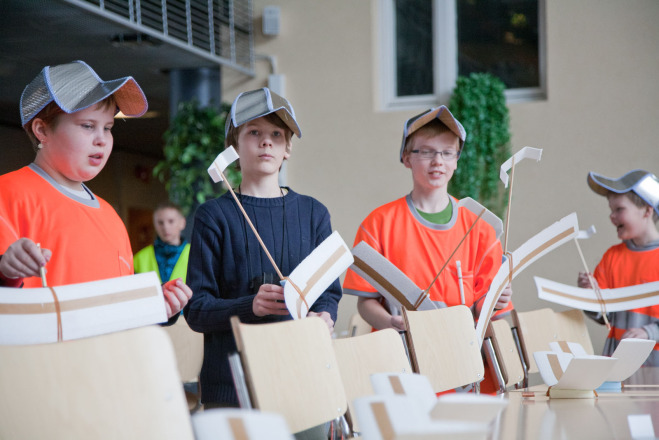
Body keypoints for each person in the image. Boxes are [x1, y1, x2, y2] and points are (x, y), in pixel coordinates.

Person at [183, 88, 342, 416]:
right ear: (234, 146)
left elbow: (328, 294)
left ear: (288, 148)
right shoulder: (213, 216)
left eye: (276, 134)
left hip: (303, 380)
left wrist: (324, 318)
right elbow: (196, 309)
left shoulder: (314, 214)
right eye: (254, 132)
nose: (266, 142)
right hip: (233, 388)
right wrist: (250, 306)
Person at [0, 60, 190, 320]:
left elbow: (117, 313)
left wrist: (153, 309)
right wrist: (4, 272)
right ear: (42, 130)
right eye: (88, 126)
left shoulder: (111, 216)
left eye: (108, 127)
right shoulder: (8, 194)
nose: (102, 139)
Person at [342, 105, 513, 391]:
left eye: (447, 152)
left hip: (464, 373)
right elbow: (366, 303)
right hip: (401, 370)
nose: (437, 161)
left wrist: (496, 300)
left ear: (457, 160)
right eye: (426, 152)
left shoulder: (480, 228)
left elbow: (490, 313)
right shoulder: (378, 223)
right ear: (406, 157)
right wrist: (390, 323)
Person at [577, 169, 659, 366]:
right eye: (611, 210)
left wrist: (649, 332)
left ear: (647, 210)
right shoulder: (612, 256)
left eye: (619, 209)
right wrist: (589, 294)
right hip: (618, 366)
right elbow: (604, 316)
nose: (612, 216)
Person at [134, 201, 190, 284]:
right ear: (154, 224)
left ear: (182, 223)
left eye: (171, 221)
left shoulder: (196, 255)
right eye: (160, 222)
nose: (165, 227)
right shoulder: (139, 258)